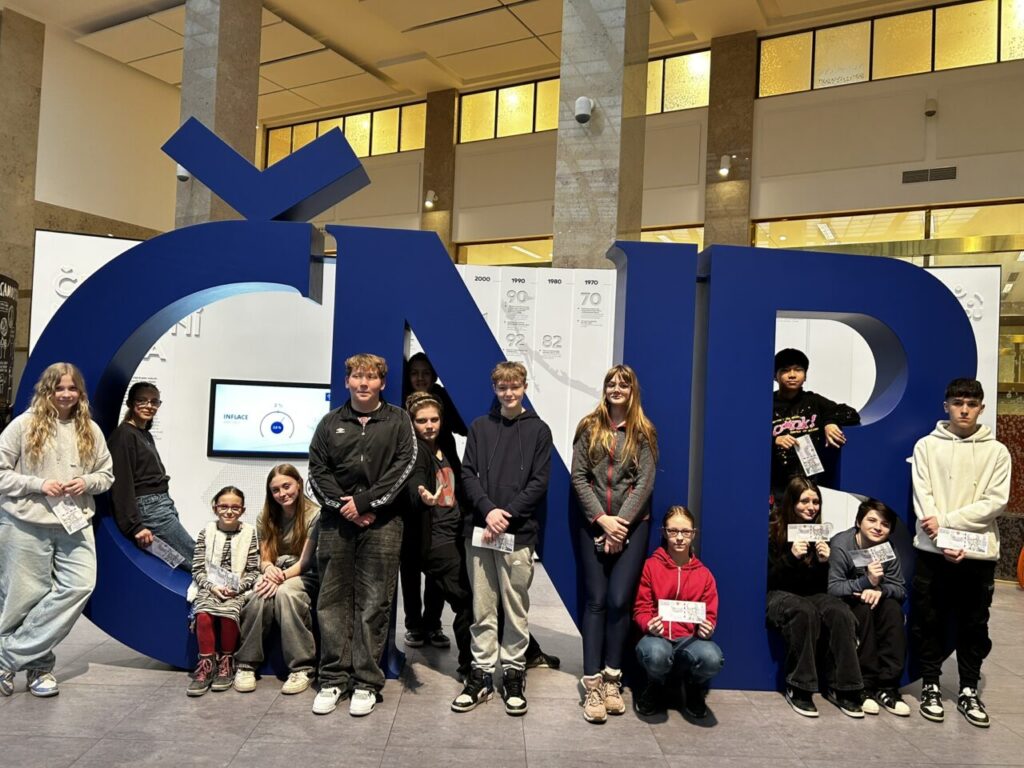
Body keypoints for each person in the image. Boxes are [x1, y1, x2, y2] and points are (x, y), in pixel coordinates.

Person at [308, 353, 417, 717]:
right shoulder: (330, 423)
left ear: (382, 383)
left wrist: (365, 503)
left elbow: (404, 466)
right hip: (336, 523)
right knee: (331, 601)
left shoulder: (399, 420)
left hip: (384, 524)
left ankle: (366, 683)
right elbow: (317, 470)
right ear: (347, 382)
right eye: (357, 377)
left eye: (371, 377)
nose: (364, 383)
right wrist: (347, 508)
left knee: (375, 602)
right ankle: (332, 679)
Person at [0, 362, 114, 698]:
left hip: (74, 523)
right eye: (59, 388)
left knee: (80, 585)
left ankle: (6, 658)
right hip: (26, 523)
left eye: (72, 388)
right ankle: (40, 668)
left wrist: (87, 481)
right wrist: (37, 484)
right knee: (22, 599)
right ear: (46, 390)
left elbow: (106, 475)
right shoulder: (23, 425)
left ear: (80, 392)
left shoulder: (90, 429)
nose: (65, 394)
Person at [452, 361, 552, 716]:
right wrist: (489, 510)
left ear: (524, 387)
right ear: (494, 389)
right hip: (480, 531)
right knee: (481, 607)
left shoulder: (539, 430)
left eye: (514, 386)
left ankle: (513, 672)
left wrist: (505, 514)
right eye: (502, 387)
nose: (508, 393)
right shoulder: (480, 427)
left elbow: (539, 482)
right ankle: (480, 674)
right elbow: (468, 474)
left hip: (518, 534)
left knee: (514, 608)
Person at [910, 378, 1010, 728]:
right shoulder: (926, 446)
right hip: (933, 550)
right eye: (957, 403)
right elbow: (923, 495)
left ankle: (968, 689)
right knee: (929, 620)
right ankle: (930, 684)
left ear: (981, 407)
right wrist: (942, 538)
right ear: (946, 406)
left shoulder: (997, 451)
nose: (964, 410)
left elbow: (995, 502)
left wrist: (948, 525)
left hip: (978, 554)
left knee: (974, 624)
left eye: (971, 404)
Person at [571, 364, 658, 723]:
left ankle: (612, 679)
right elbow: (579, 477)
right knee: (596, 600)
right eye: (611, 383)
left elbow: (645, 481)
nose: (616, 389)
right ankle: (592, 684)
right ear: (604, 388)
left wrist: (620, 525)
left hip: (632, 526)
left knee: (620, 600)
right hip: (593, 524)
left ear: (632, 390)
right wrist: (602, 521)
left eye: (623, 384)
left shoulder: (644, 431)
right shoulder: (588, 426)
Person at [766, 476, 865, 718]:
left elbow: (822, 587)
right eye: (804, 501)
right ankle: (799, 687)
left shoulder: (820, 533)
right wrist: (791, 558)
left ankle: (844, 687)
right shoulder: (773, 529)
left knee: (840, 612)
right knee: (804, 611)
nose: (811, 507)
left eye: (816, 502)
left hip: (812, 594)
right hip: (778, 594)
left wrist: (824, 562)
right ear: (792, 502)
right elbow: (768, 578)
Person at [234, 464, 320, 695]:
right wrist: (269, 569)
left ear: (298, 484)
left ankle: (301, 668)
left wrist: (279, 578)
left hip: (304, 573)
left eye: (286, 486)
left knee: (286, 594)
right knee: (259, 595)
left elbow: (306, 562)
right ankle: (246, 664)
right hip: (276, 571)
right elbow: (265, 558)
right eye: (275, 490)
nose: (282, 493)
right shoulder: (265, 516)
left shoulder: (315, 515)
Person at [405, 391, 474, 678]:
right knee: (467, 601)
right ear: (412, 423)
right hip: (435, 539)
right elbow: (414, 484)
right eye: (422, 421)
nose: (429, 425)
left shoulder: (444, 446)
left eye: (434, 419)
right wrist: (421, 495)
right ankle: (470, 667)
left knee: (470, 597)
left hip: (455, 533)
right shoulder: (412, 452)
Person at [400, 352, 465, 650]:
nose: (420, 378)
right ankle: (414, 625)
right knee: (411, 570)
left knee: (438, 575)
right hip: (413, 513)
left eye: (426, 372)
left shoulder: (442, 404)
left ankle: (433, 624)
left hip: (444, 512)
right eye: (415, 372)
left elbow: (462, 427)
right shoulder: (400, 413)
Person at [633, 505, 723, 718]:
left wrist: (708, 629)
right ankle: (655, 684)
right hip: (657, 638)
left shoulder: (704, 575)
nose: (680, 538)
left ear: (693, 534)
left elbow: (709, 615)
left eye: (685, 532)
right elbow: (640, 609)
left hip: (689, 641)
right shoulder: (651, 566)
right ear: (664, 533)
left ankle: (693, 686)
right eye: (673, 531)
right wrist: (648, 624)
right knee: (656, 654)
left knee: (712, 658)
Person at [828, 498, 909, 716]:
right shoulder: (842, 544)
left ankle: (888, 687)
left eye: (885, 524)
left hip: (876, 597)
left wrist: (880, 590)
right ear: (858, 522)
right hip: (847, 600)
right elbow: (833, 587)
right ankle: (863, 686)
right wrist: (867, 582)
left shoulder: (888, 548)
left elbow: (900, 588)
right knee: (862, 611)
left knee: (893, 610)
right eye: (872, 520)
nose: (878, 527)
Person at [107, 381, 194, 567]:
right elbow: (121, 483)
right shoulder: (124, 435)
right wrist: (134, 525)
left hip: (162, 504)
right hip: (149, 508)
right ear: (130, 403)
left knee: (184, 560)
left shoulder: (144, 433)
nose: (149, 406)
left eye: (154, 401)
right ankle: (232, 584)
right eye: (142, 400)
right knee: (194, 557)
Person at [186, 486, 259, 697]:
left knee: (229, 615)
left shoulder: (249, 533)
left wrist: (237, 588)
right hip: (211, 586)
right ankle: (207, 665)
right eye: (223, 506)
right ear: (215, 508)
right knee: (203, 614)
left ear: (242, 510)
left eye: (235, 507)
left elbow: (253, 570)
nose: (229, 511)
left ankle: (227, 662)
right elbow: (198, 569)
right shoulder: (206, 532)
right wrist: (212, 587)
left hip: (236, 589)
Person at [771, 348, 860, 500]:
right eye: (785, 370)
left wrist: (830, 422)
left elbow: (850, 413)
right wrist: (775, 440)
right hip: (773, 482)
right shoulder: (767, 404)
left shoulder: (813, 401)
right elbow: (749, 435)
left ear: (805, 375)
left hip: (809, 484)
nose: (792, 375)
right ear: (775, 375)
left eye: (798, 370)